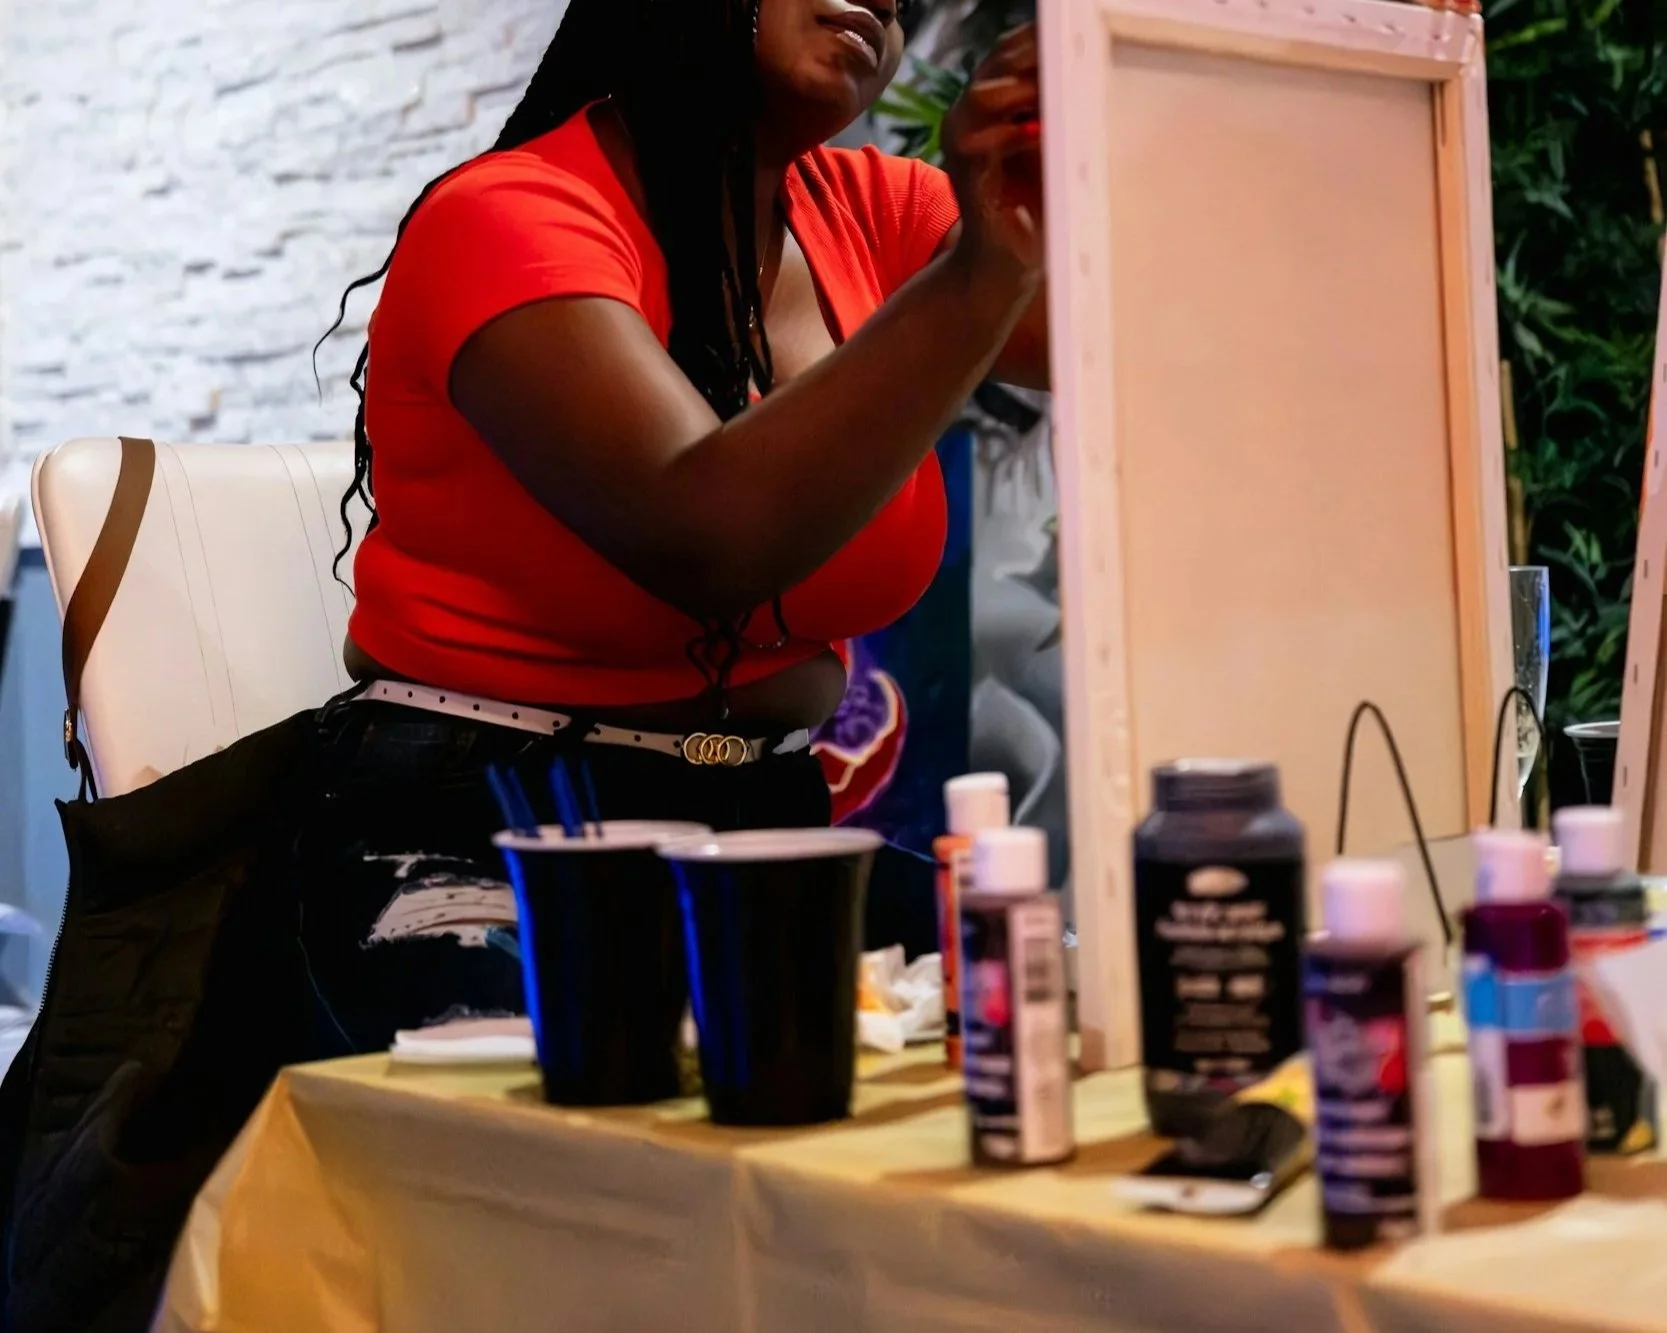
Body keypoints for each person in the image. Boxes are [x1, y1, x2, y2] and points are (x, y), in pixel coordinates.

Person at [300, 0, 1048, 1052]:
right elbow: (709, 536)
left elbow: (1156, 334)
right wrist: (985, 272)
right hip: (479, 830)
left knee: (1061, 1013)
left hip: (756, 819)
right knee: (605, 1151)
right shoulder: (507, 215)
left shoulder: (877, 215)